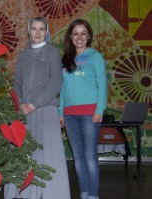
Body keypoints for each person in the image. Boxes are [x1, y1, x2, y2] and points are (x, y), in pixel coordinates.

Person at [4, 16, 71, 199]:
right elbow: (16, 83)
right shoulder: (23, 55)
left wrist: (35, 103)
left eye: (41, 29)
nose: (38, 32)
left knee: (48, 153)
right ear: (29, 31)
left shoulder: (52, 52)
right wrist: (22, 103)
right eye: (34, 28)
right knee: (24, 152)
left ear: (46, 31)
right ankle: (25, 193)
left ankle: (51, 193)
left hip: (45, 109)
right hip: (24, 111)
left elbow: (56, 83)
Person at [59, 18, 107, 199]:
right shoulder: (66, 59)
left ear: (88, 37)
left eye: (83, 33)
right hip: (70, 115)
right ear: (71, 37)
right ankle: (84, 192)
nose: (79, 37)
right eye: (75, 34)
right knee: (77, 158)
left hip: (89, 114)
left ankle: (93, 194)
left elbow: (102, 85)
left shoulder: (96, 56)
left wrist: (99, 110)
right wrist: (61, 112)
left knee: (89, 157)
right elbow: (62, 88)